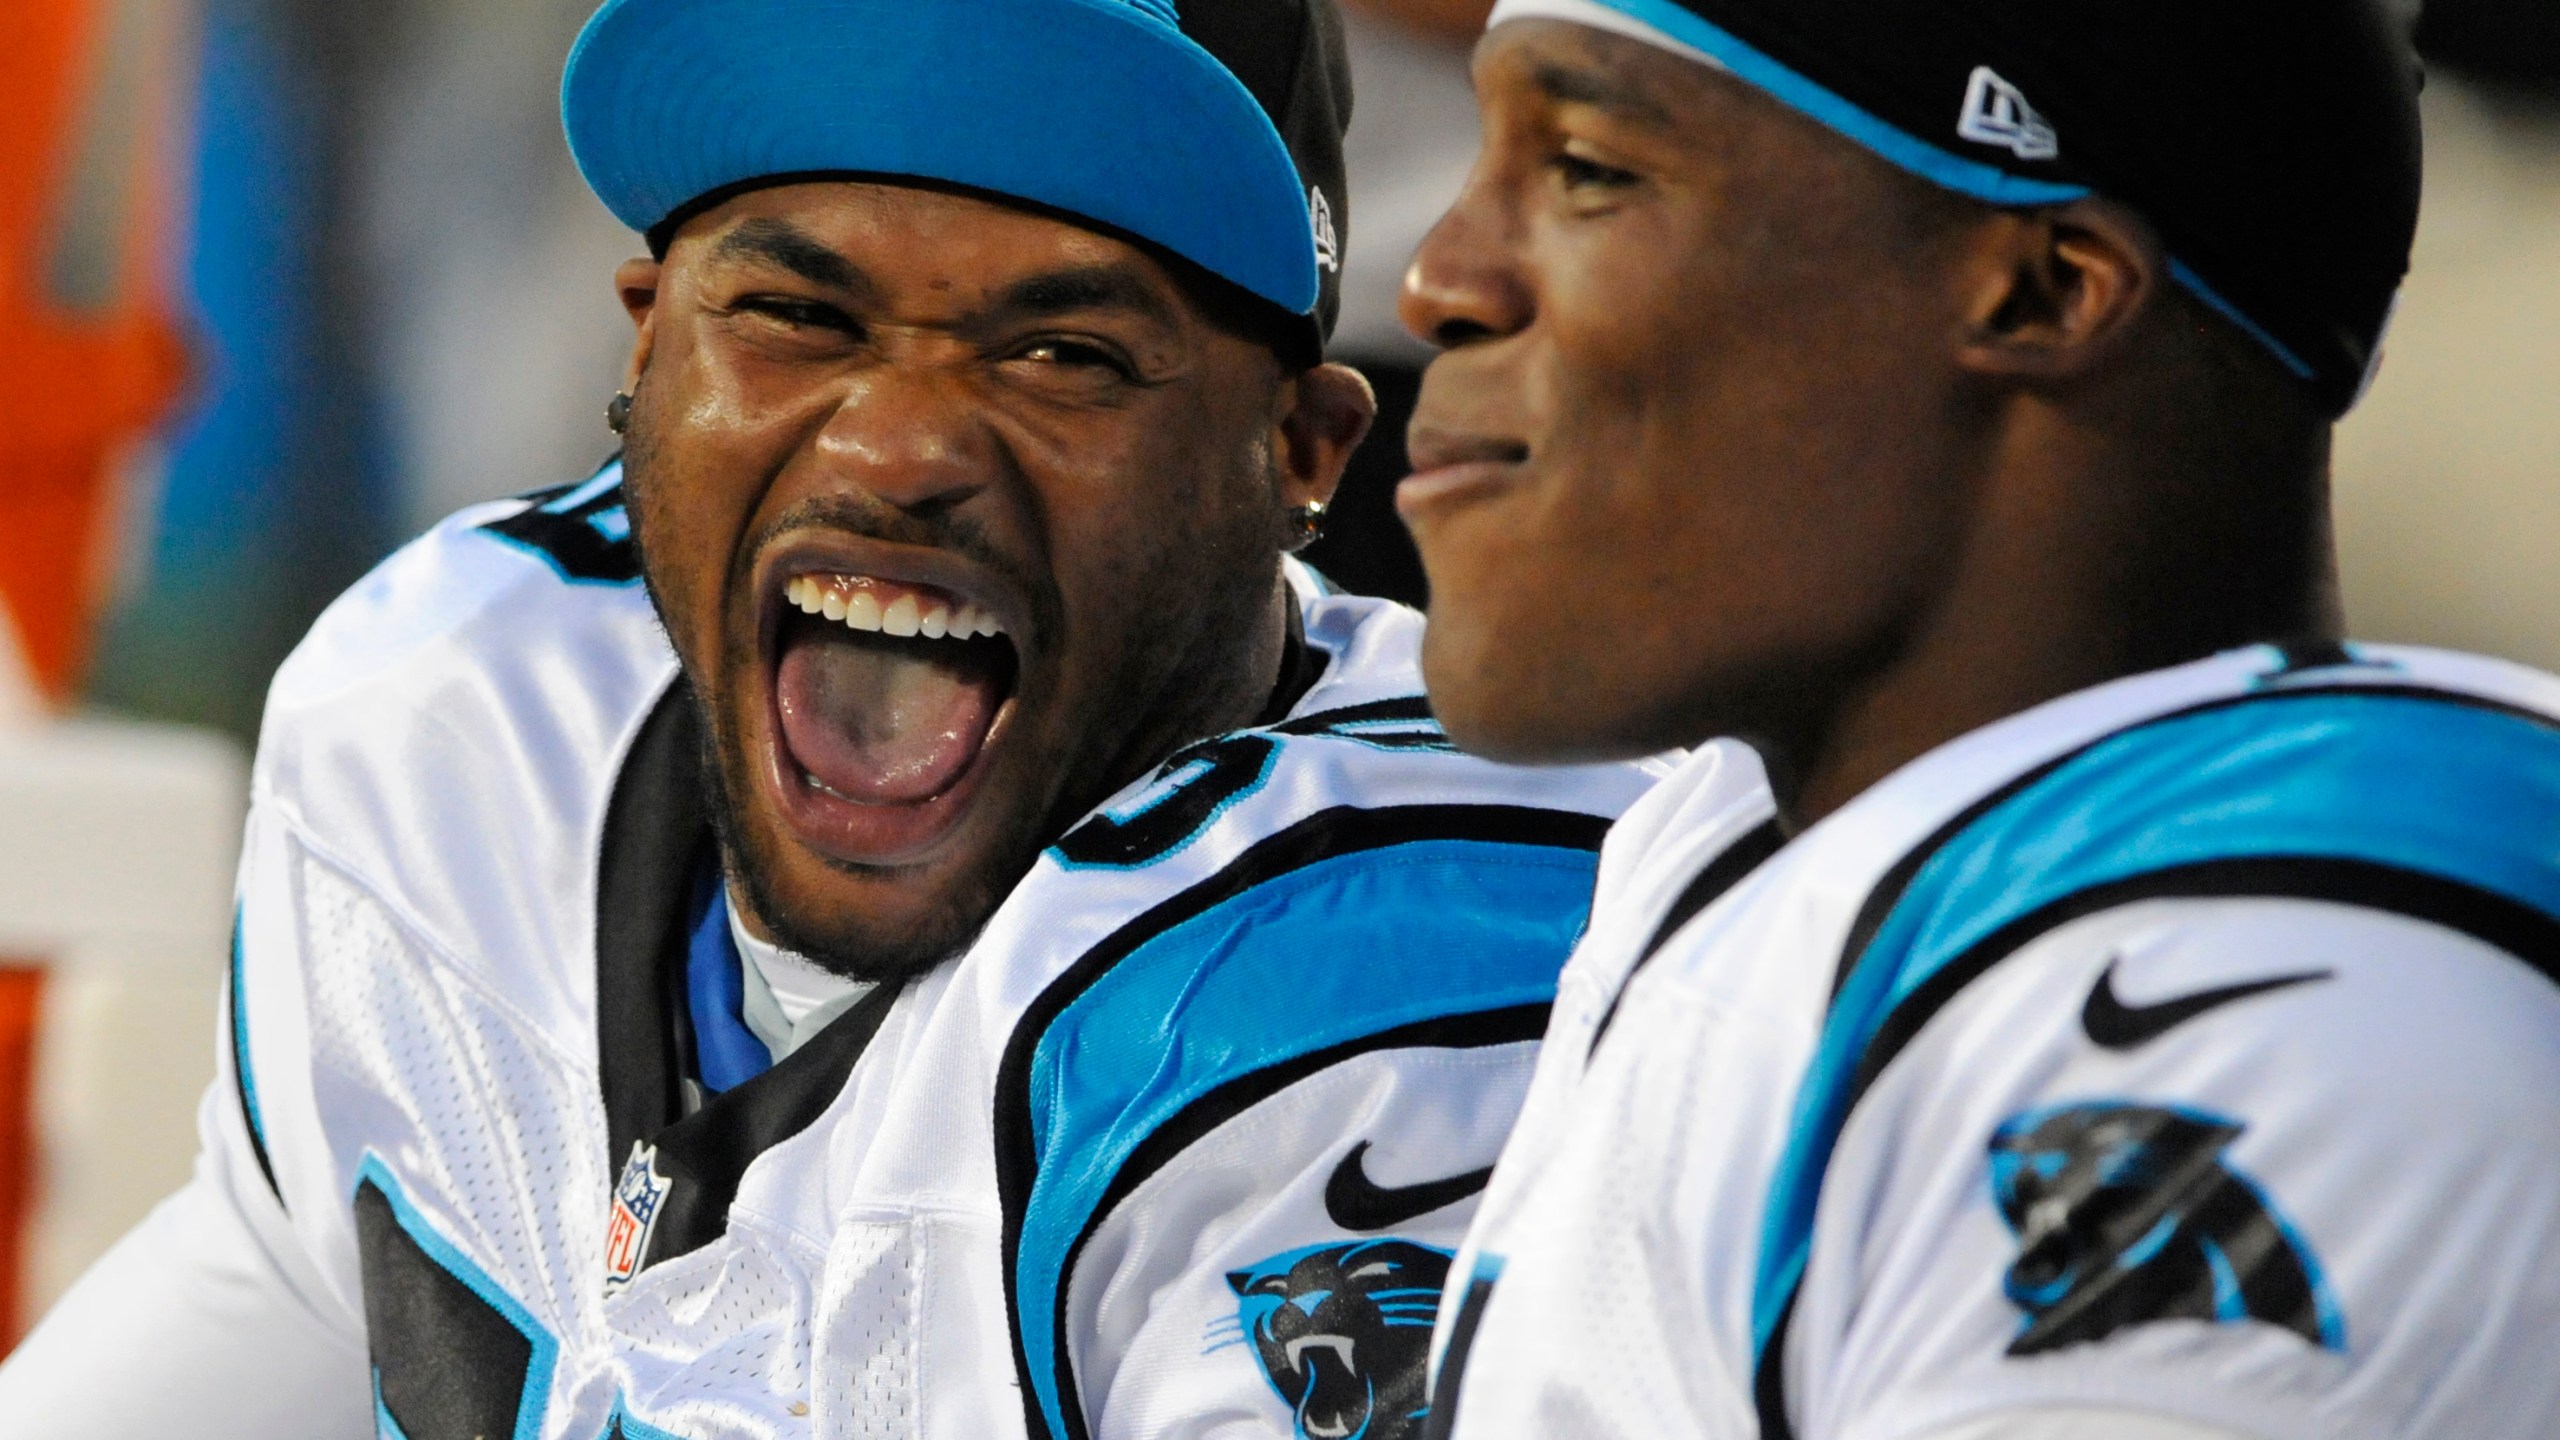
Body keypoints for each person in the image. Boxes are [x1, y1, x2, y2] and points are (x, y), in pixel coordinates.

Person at [0, 0, 1665, 1434]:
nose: (896, 444)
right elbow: (276, 1285)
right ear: (647, 346)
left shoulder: (1411, 968)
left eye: (1064, 354)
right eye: (797, 318)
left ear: (1302, 452)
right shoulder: (461, 716)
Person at [1393, 1, 2560, 1437]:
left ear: (2045, 292)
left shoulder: (2288, 1006)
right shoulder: (1753, 838)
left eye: (1589, 167)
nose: (1439, 280)